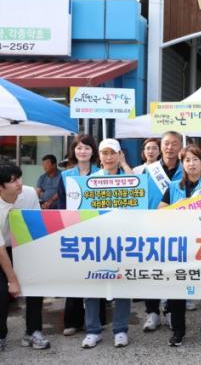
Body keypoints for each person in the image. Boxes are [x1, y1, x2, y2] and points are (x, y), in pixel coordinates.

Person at [158, 144, 201, 347]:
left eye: (195, 159)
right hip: (180, 246)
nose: (192, 164)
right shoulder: (173, 187)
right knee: (177, 290)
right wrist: (181, 207)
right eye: (187, 160)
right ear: (182, 164)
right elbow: (160, 213)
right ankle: (178, 331)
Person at [82, 139, 134, 349]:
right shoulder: (90, 181)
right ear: (99, 156)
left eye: (113, 153)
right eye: (105, 153)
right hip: (96, 241)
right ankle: (93, 331)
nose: (109, 157)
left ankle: (120, 330)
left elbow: (138, 194)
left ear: (120, 155)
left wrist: (125, 166)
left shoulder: (128, 178)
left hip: (123, 241)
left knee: (122, 285)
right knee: (92, 285)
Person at [57, 134, 107, 336]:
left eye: (87, 147)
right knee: (75, 275)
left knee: (97, 274)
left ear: (93, 151)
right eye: (79, 148)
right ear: (73, 151)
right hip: (74, 231)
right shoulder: (66, 176)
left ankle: (97, 320)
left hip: (98, 231)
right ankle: (73, 321)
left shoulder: (102, 174)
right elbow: (61, 205)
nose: (83, 151)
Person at [0, 163, 50, 351]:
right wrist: (12, 280)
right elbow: (0, 249)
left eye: (19, 177)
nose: (19, 183)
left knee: (35, 287)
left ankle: (33, 331)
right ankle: (1, 335)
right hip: (2, 249)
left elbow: (36, 224)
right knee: (2, 293)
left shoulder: (28, 194)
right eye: (12, 181)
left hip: (23, 245)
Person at [143, 131, 185, 331]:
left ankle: (169, 310)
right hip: (152, 226)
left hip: (178, 228)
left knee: (173, 271)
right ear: (161, 146)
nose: (170, 147)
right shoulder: (149, 170)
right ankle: (152, 312)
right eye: (166, 143)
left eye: (174, 144)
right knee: (152, 271)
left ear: (180, 147)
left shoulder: (186, 169)